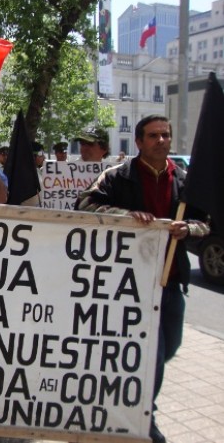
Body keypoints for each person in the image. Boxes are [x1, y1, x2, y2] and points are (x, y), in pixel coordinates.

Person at [75, 114, 209, 443]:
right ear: (138, 142)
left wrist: (186, 229)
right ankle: (144, 416)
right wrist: (126, 216)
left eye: (165, 134)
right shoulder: (117, 176)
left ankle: (137, 401)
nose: (161, 141)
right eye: (153, 136)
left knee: (169, 347)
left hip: (170, 281)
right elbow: (83, 205)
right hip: (129, 285)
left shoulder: (185, 181)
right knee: (151, 352)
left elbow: (205, 223)